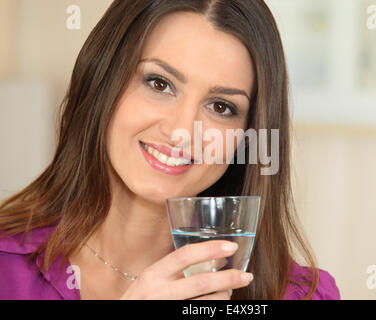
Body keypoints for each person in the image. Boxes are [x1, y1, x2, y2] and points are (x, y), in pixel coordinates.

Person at [0, 0, 340, 300]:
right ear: (102, 80)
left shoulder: (300, 295)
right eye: (159, 84)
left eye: (221, 107)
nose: (181, 131)